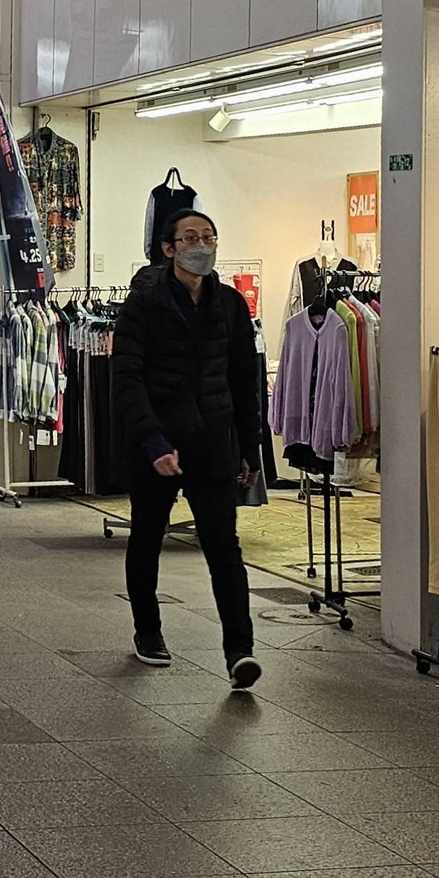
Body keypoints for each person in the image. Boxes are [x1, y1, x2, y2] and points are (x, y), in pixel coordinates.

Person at [111, 208, 263, 690]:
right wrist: (153, 442)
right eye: (191, 238)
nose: (202, 246)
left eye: (209, 237)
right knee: (147, 536)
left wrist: (251, 449)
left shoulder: (231, 305)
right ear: (169, 248)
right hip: (154, 445)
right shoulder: (143, 305)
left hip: (213, 443)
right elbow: (126, 379)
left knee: (223, 546)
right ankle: (148, 630)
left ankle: (240, 651)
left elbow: (244, 381)